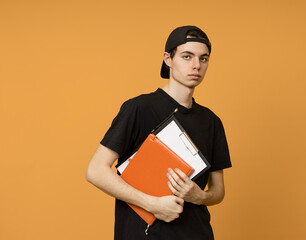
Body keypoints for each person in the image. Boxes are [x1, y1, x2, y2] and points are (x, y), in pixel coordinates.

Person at [86, 25, 232, 240]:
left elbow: (218, 190)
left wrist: (199, 196)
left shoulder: (212, 122)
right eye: (186, 56)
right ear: (168, 59)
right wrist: (152, 204)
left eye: (203, 59)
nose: (196, 65)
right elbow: (96, 170)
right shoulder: (138, 108)